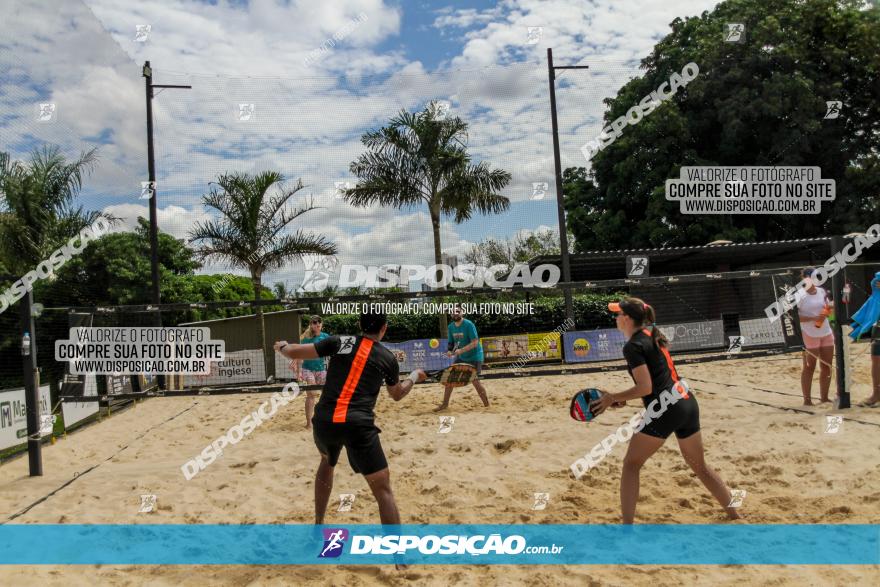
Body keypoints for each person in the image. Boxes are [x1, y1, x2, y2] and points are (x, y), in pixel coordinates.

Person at [590, 298, 740, 524]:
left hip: (666, 409)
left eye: (618, 314)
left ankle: (627, 528)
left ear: (628, 319)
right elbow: (656, 381)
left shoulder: (632, 346)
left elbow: (646, 387)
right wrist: (621, 399)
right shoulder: (654, 336)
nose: (616, 318)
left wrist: (613, 397)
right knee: (701, 467)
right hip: (687, 402)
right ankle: (735, 515)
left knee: (631, 465)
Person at [274, 311, 427, 530]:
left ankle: (318, 524)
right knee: (383, 491)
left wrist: (281, 346)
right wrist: (414, 376)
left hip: (325, 421)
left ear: (359, 324)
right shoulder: (387, 358)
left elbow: (293, 352)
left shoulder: (340, 341)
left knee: (327, 461)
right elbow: (397, 394)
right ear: (383, 328)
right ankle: (399, 559)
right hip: (358, 426)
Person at [434, 306, 489, 412]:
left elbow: (475, 342)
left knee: (475, 380)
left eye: (457, 311)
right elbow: (451, 343)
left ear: (462, 313)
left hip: (475, 356)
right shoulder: (450, 327)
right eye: (453, 312)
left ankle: (487, 406)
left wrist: (461, 350)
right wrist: (450, 351)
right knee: (449, 378)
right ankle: (445, 405)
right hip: (462, 356)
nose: (455, 313)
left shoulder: (469, 324)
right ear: (451, 314)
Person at [795, 267, 835, 405]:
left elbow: (828, 308)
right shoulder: (799, 295)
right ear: (805, 278)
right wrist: (813, 318)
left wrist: (830, 308)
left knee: (827, 366)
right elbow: (795, 317)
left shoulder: (822, 291)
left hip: (826, 331)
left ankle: (824, 398)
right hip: (809, 333)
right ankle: (807, 400)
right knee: (809, 367)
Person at [296, 315, 330, 429]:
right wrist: (298, 373)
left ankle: (323, 419)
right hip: (308, 369)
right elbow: (299, 355)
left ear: (322, 323)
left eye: (319, 321)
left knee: (328, 394)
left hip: (321, 369)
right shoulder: (305, 338)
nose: (317, 324)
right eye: (315, 322)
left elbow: (335, 349)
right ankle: (309, 423)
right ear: (311, 325)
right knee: (311, 394)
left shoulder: (326, 337)